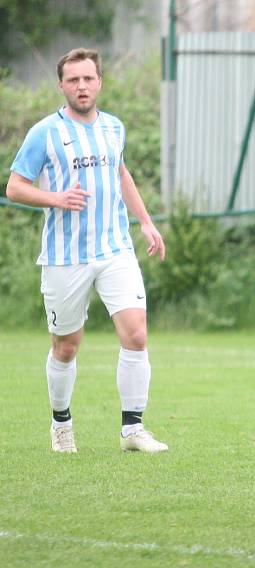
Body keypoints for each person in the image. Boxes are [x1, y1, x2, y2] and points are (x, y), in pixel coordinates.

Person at [6, 48, 168, 454]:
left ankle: (133, 429)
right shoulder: (45, 132)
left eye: (88, 78)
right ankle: (61, 423)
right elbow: (14, 187)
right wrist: (56, 198)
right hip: (65, 256)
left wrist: (146, 221)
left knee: (136, 334)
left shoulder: (114, 127)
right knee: (67, 346)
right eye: (73, 80)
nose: (82, 86)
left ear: (100, 82)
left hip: (115, 249)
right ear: (61, 86)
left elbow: (120, 172)